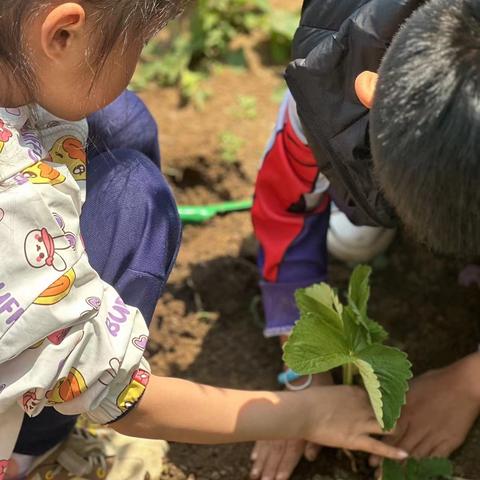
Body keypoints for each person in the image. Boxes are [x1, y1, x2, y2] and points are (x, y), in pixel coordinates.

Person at [0, 2, 410, 479]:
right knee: (137, 197)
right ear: (64, 35)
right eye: (142, 44)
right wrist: (306, 412)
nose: (139, 63)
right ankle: (31, 443)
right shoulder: (15, 202)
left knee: (122, 121)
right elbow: (123, 397)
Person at [251, 0, 480, 478]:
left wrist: (469, 382)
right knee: (355, 240)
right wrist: (304, 366)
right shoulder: (322, 102)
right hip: (349, 115)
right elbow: (284, 210)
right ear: (372, 94)